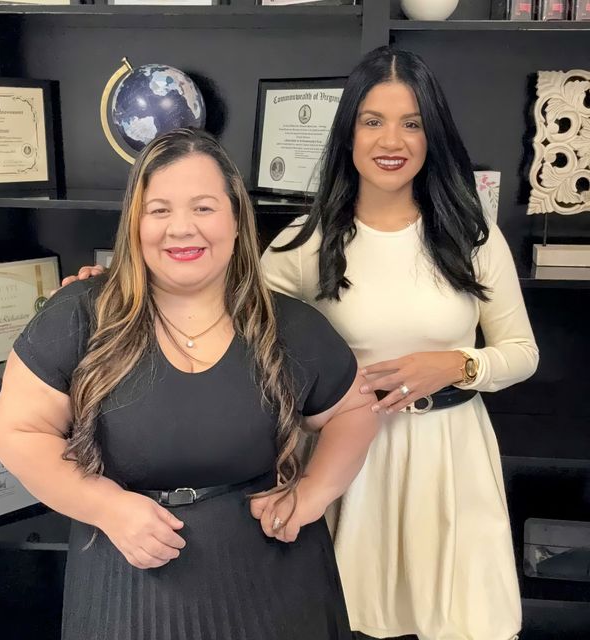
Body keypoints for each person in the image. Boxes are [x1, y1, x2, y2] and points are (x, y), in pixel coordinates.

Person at [64, 46, 539, 640]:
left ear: (432, 133)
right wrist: (115, 287)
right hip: (348, 463)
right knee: (353, 616)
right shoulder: (301, 244)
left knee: (464, 621)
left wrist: (458, 364)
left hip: (450, 456)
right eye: (372, 121)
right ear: (348, 134)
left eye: (411, 122)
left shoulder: (471, 234)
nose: (391, 139)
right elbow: (219, 311)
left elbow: (521, 353)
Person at [0, 128, 379, 640]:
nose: (181, 229)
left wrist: (313, 493)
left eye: (203, 208)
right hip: (127, 583)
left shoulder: (290, 326)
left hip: (275, 590)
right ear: (135, 222)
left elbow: (355, 411)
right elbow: (18, 432)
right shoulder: (80, 316)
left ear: (237, 220)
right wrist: (104, 506)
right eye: (159, 210)